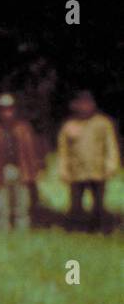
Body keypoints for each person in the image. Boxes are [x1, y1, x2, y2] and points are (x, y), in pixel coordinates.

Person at [56, 89, 118, 233]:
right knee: (76, 203)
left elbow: (111, 145)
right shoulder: (69, 125)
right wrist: (63, 169)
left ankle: (100, 229)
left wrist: (112, 164)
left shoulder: (103, 123)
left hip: (97, 170)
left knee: (98, 203)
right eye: (81, 104)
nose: (85, 107)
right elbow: (63, 150)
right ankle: (76, 229)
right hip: (76, 171)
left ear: (93, 104)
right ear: (75, 105)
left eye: (88, 103)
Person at [0, 93, 41, 232]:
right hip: (0, 171)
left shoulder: (24, 128)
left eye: (10, 109)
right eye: (3, 109)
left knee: (22, 203)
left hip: (21, 170)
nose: (7, 112)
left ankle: (22, 231)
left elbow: (32, 151)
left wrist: (33, 171)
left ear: (15, 110)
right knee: (1, 204)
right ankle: (3, 230)